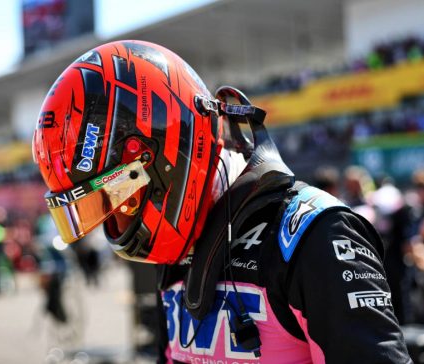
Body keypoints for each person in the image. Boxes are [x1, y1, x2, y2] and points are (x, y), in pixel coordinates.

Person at [31, 40, 411, 363]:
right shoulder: (181, 247)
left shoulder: (313, 235)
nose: (114, 220)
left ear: (155, 158)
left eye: (115, 199)